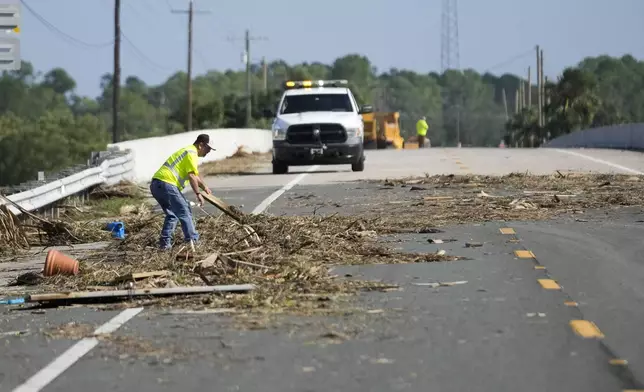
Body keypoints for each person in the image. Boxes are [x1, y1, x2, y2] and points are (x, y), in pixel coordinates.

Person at [149, 133, 214, 250]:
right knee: (184, 210)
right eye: (208, 148)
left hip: (156, 184)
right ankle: (192, 242)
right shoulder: (192, 153)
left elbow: (195, 176)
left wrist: (204, 187)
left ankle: (164, 245)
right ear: (201, 145)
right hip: (167, 184)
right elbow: (192, 176)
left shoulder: (188, 151)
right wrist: (198, 193)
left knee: (173, 214)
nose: (209, 151)